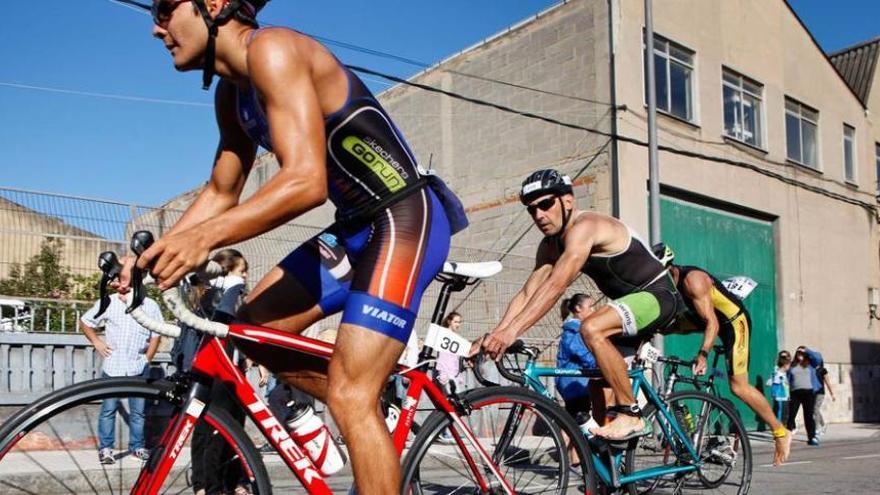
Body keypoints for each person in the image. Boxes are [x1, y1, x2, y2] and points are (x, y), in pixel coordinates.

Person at [121, 3, 465, 491]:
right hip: (355, 228)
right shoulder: (231, 96)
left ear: (213, 4)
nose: (157, 28)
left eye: (165, 7)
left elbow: (305, 181)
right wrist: (155, 252)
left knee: (350, 393)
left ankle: (358, 401)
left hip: (405, 217)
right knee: (250, 329)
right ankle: (362, 406)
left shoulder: (273, 49)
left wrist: (204, 238)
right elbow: (222, 191)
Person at [476, 169, 680, 443]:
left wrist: (512, 332)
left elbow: (556, 285)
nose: (539, 215)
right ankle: (603, 452)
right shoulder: (550, 245)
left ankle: (631, 415)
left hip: (658, 296)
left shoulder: (586, 227)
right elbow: (528, 292)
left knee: (591, 327)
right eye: (531, 210)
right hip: (628, 306)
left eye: (546, 204)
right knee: (597, 383)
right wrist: (496, 333)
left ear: (568, 201)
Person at [664, 257, 793, 465]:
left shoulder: (693, 281)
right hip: (707, 317)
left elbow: (712, 324)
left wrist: (703, 354)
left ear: (670, 269)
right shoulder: (667, 283)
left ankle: (780, 432)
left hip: (733, 323)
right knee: (664, 325)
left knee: (738, 386)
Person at [80, 291, 162, 464]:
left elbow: (156, 334)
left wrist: (147, 358)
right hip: (113, 366)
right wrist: (96, 342)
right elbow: (86, 322)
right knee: (108, 410)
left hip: (138, 367)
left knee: (138, 412)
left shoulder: (150, 305)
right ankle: (106, 449)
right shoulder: (109, 301)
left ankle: (137, 447)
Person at [556, 293, 597, 467]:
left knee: (574, 419)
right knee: (575, 420)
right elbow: (581, 352)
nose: (593, 309)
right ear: (578, 309)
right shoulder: (575, 329)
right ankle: (565, 459)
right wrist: (600, 363)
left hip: (572, 382)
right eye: (591, 306)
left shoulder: (573, 328)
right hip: (575, 383)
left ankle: (574, 459)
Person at [787, 348, 820, 446]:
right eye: (798, 353)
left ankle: (812, 437)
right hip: (795, 393)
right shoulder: (792, 366)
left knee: (809, 416)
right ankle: (787, 437)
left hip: (808, 393)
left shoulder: (810, 364)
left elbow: (818, 358)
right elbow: (788, 380)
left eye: (802, 353)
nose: (800, 355)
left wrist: (807, 350)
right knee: (791, 415)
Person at [767, 351, 791, 422]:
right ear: (785, 365)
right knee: (779, 412)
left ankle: (783, 425)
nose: (789, 367)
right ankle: (779, 426)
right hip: (780, 396)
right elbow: (775, 385)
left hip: (785, 396)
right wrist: (775, 395)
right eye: (789, 365)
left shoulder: (784, 374)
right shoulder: (778, 374)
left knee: (785, 413)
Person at [814, 361, 835, 437]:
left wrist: (832, 394)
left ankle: (817, 429)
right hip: (812, 393)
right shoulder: (810, 369)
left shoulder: (823, 370)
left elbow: (827, 382)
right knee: (815, 410)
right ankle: (823, 425)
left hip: (820, 393)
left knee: (815, 409)